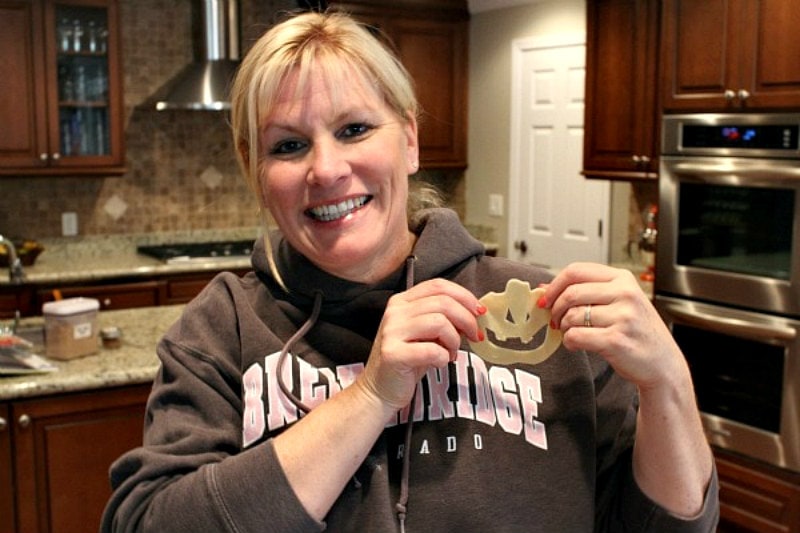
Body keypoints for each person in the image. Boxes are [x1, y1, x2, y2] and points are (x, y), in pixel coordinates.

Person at [101, 10, 719, 533]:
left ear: (411, 141)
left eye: (355, 128)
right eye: (287, 145)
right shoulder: (219, 331)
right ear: (256, 172)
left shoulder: (542, 314)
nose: (326, 169)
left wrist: (669, 382)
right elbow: (150, 520)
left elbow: (666, 523)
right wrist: (371, 396)